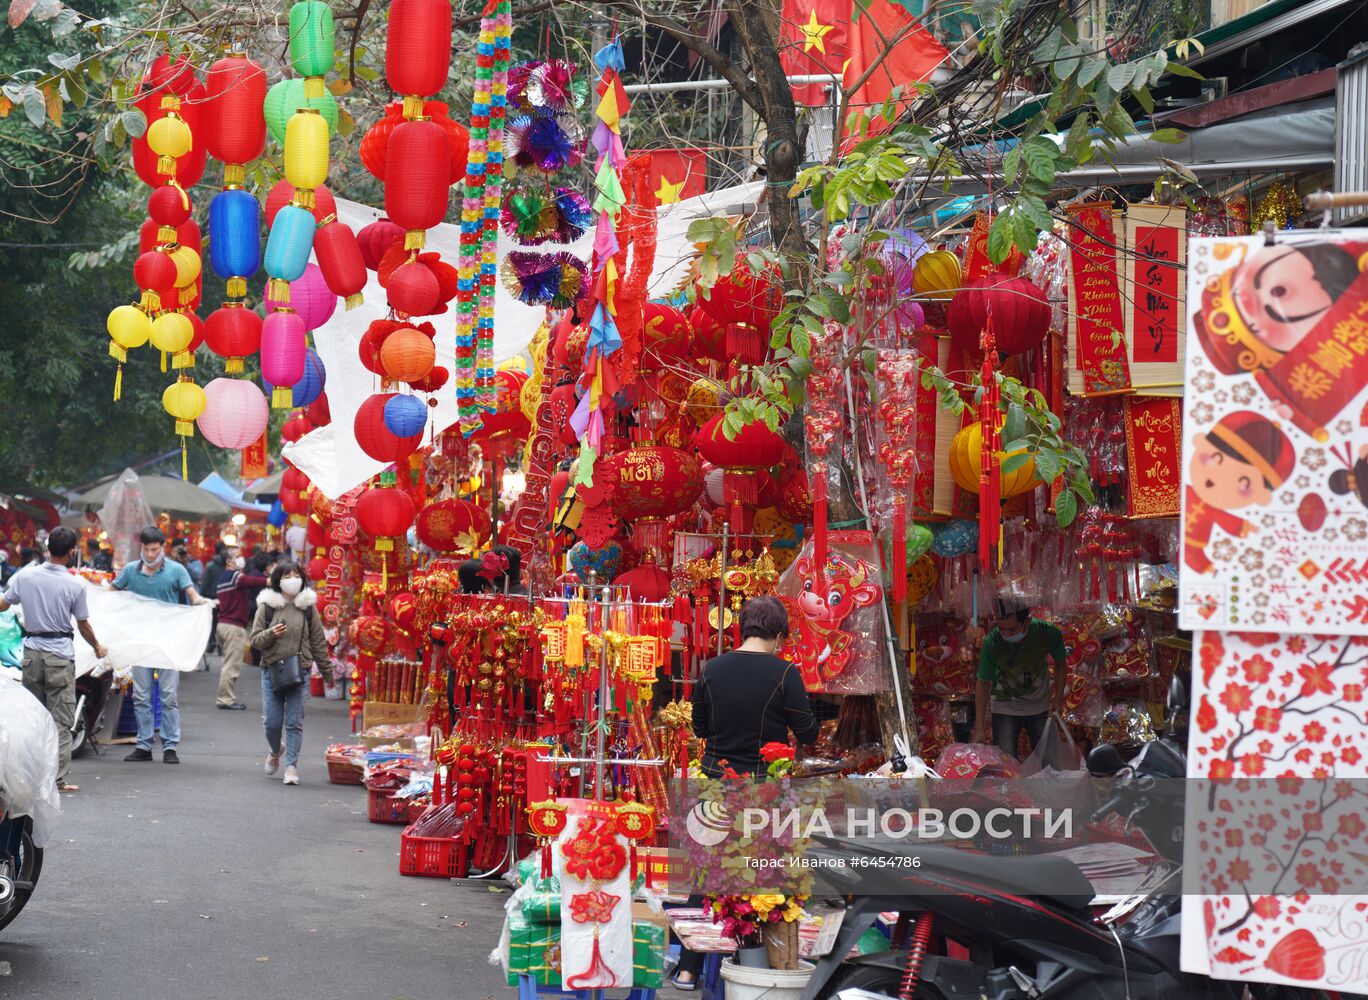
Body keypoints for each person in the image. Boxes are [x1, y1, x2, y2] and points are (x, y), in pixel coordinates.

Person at [675, 596, 821, 990]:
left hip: (716, 782)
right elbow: (807, 731)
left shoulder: (712, 669)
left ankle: (689, 967)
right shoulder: (785, 672)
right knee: (762, 876)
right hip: (763, 788)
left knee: (708, 872)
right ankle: (754, 964)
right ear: (777, 635)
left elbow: (700, 727)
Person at [0, 527, 108, 791]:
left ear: (48, 548)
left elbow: (3, 604)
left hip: (32, 655)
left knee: (33, 717)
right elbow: (83, 625)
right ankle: (56, 778)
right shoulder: (73, 584)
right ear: (71, 552)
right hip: (59, 655)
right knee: (60, 720)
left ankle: (27, 774)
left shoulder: (25, 577)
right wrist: (97, 647)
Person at [111, 526, 216, 764]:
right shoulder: (130, 571)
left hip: (169, 641)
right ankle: (144, 745)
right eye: (146, 549)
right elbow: (111, 592)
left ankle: (170, 747)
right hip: (140, 641)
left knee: (169, 696)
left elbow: (192, 596)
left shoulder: (176, 570)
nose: (149, 554)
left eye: (154, 549)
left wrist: (204, 603)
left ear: (163, 547)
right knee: (141, 696)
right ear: (141, 548)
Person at [249, 561, 330, 785]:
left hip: (300, 671)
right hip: (272, 671)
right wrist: (271, 634)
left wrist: (327, 672)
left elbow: (318, 642)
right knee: (272, 723)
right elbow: (254, 640)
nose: (292, 579)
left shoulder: (308, 607)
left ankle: (291, 767)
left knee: (294, 722)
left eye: (296, 575)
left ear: (302, 578)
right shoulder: (267, 606)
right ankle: (276, 750)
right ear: (278, 580)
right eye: (287, 576)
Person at [974, 598, 1069, 759]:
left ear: (1027, 622)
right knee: (1006, 765)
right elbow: (983, 683)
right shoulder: (992, 642)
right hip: (1005, 707)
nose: (1005, 634)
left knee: (1050, 762)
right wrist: (979, 727)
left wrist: (1058, 699)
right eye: (1001, 628)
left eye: (1011, 630)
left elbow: (1061, 663)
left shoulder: (1047, 633)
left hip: (1040, 706)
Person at [213, 544, 269, 710]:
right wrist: (269, 580)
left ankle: (225, 697)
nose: (241, 558)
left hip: (223, 624)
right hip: (233, 627)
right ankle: (225, 699)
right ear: (229, 561)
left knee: (228, 663)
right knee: (232, 665)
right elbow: (249, 581)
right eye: (237, 556)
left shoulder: (223, 577)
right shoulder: (234, 576)